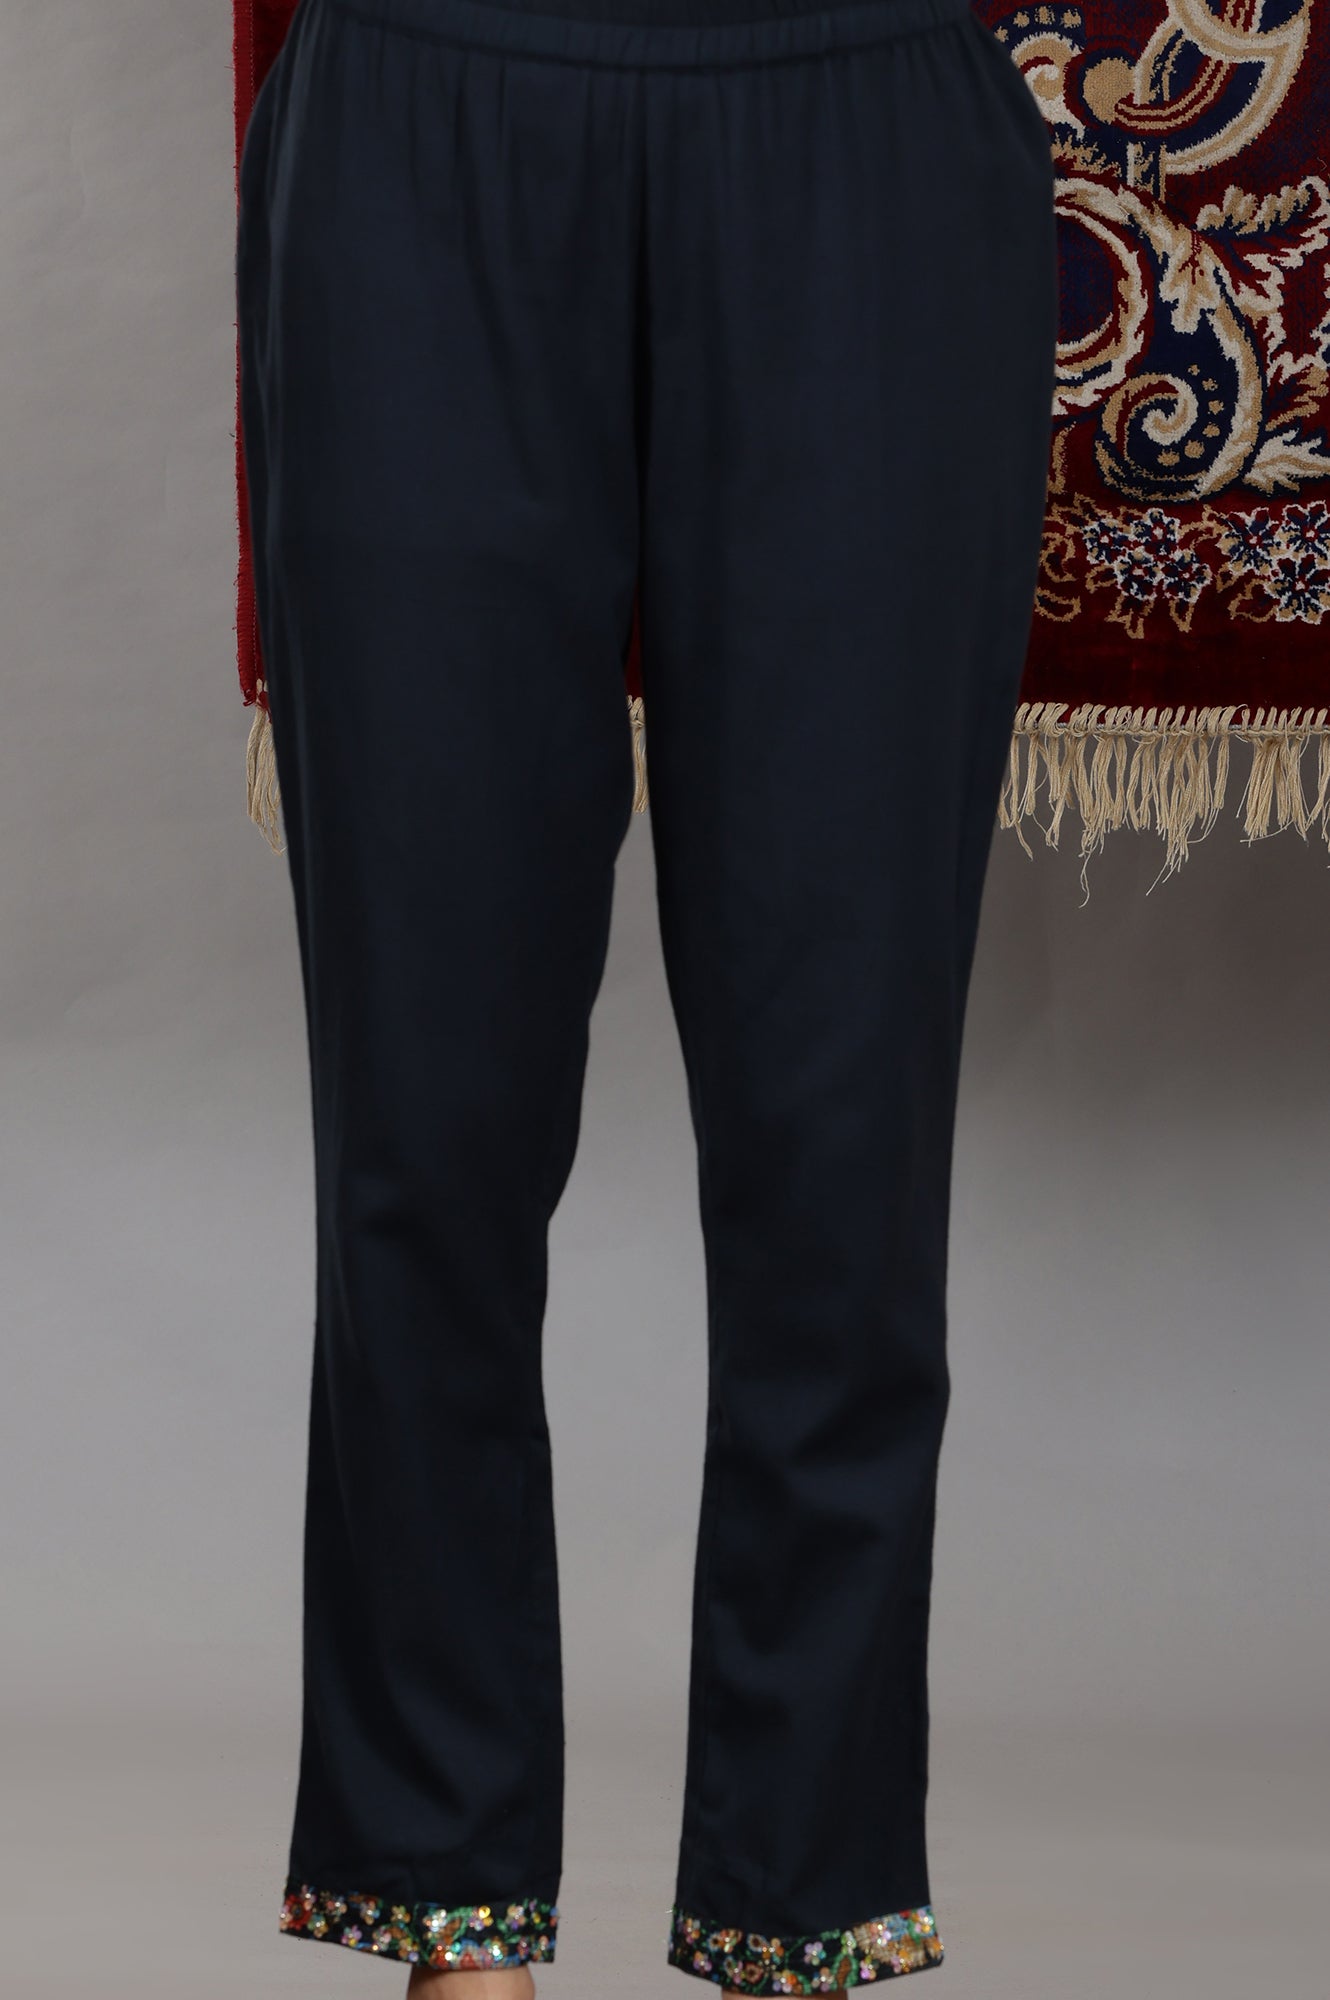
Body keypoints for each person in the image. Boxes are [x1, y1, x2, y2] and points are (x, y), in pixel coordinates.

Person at [235, 0, 1058, 1989]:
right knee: (425, 1120)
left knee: (838, 1146)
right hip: (420, 107)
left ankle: (804, 1909)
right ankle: (451, 1914)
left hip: (863, 125)